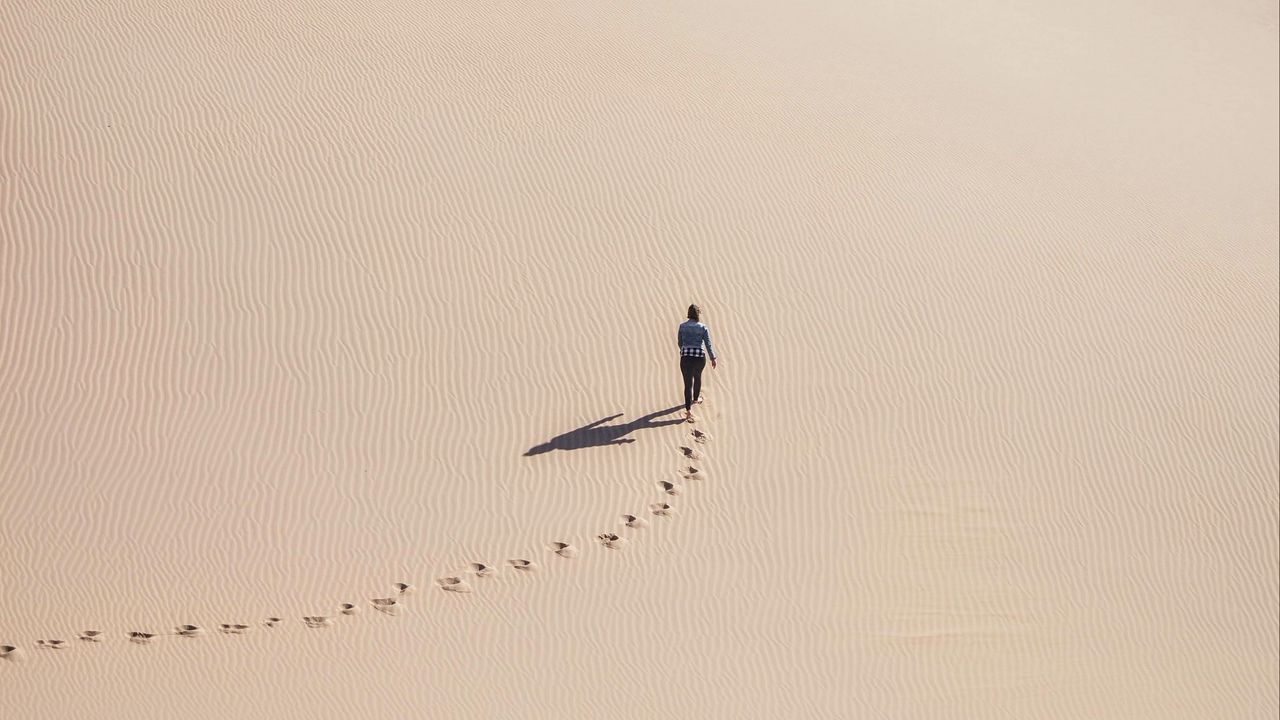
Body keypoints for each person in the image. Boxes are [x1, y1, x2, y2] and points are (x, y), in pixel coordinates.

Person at [677, 304, 718, 422]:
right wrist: (713, 358)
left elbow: (680, 342)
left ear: (688, 314)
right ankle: (695, 399)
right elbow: (708, 344)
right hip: (699, 357)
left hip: (686, 358)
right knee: (698, 377)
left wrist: (683, 350)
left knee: (687, 384)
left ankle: (688, 411)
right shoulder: (703, 327)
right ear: (698, 314)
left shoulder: (682, 326)